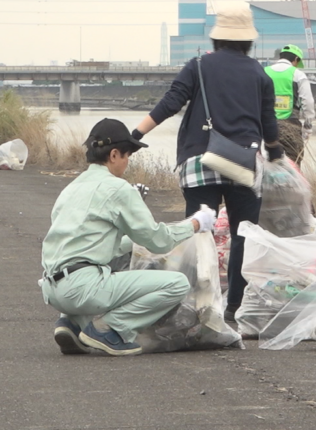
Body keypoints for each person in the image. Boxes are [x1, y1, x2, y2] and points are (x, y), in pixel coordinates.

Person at [132, 2, 283, 324]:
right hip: (243, 163)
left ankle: (197, 303)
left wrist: (134, 135)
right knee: (244, 235)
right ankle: (234, 308)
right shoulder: (259, 73)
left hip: (201, 160)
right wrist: (277, 154)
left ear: (217, 37)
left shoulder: (198, 66)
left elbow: (171, 102)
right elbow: (268, 124)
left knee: (199, 234)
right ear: (247, 40)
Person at [41, 118, 216, 356]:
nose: (127, 162)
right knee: (177, 284)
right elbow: (158, 240)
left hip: (53, 289)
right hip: (81, 289)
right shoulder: (118, 188)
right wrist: (195, 224)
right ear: (114, 155)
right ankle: (109, 329)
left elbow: (96, 244)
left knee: (107, 260)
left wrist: (133, 243)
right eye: (127, 156)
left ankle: (71, 322)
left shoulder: (71, 189)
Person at [265, 44, 315, 165]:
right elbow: (308, 102)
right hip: (290, 126)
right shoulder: (298, 75)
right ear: (296, 59)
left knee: (265, 164)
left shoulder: (264, 72)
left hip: (264, 127)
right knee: (293, 164)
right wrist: (307, 127)